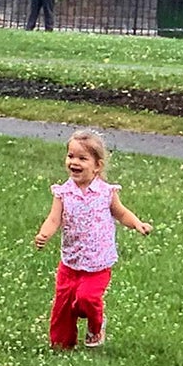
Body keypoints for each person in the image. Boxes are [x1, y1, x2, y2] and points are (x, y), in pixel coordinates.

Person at [34, 129, 152, 350]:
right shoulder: (63, 193)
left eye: (82, 158)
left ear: (97, 165)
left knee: (87, 299)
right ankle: (62, 344)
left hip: (98, 264)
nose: (74, 162)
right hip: (70, 262)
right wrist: (44, 234)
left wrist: (137, 224)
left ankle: (96, 327)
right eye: (70, 156)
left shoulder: (106, 192)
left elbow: (121, 213)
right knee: (63, 305)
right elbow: (53, 219)